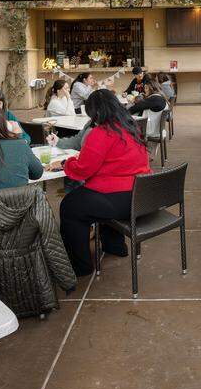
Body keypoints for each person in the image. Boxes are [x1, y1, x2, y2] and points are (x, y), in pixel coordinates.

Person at [47, 89, 151, 275]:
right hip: (141, 195)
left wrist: (65, 163)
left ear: (95, 112)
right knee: (93, 202)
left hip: (117, 199)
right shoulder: (131, 126)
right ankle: (115, 246)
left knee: (70, 207)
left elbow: (83, 170)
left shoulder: (101, 133)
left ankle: (80, 266)